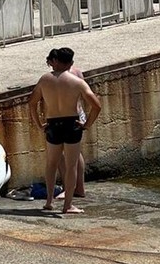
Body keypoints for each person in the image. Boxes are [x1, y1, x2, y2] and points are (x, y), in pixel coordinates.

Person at [29, 47, 101, 214]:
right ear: (71, 63)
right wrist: (87, 124)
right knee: (71, 166)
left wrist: (40, 124)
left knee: (51, 164)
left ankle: (48, 201)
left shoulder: (45, 80)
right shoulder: (77, 82)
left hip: (52, 123)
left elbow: (31, 103)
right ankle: (67, 205)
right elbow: (96, 106)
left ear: (56, 61)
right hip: (71, 123)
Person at [46, 48, 87, 198]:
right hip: (79, 113)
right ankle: (79, 188)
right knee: (76, 154)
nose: (51, 67)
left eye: (51, 63)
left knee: (62, 156)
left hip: (66, 117)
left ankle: (68, 188)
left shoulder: (60, 76)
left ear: (55, 61)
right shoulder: (77, 72)